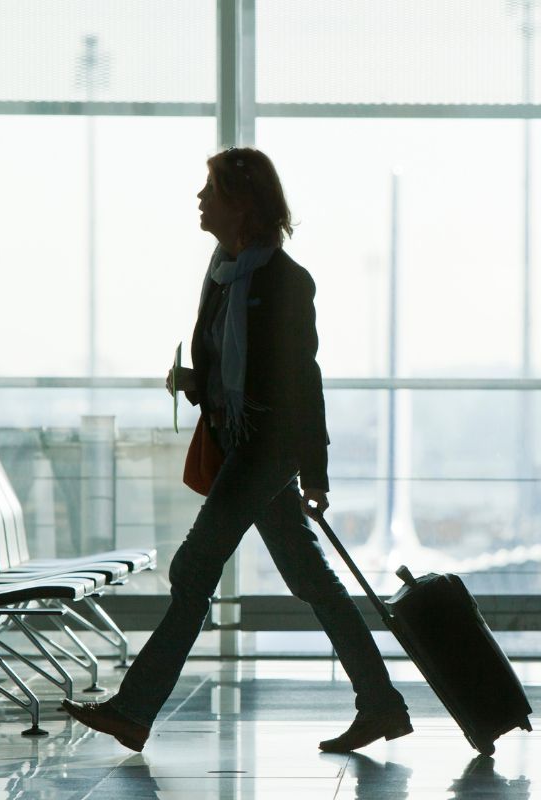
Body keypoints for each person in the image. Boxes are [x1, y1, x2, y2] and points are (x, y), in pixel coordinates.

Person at [62, 147, 410, 754]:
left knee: (194, 568)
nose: (200, 199)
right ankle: (381, 703)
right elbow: (229, 372)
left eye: (211, 189)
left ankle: (135, 711)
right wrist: (197, 382)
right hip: (240, 444)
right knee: (312, 580)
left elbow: (305, 380)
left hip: (267, 450)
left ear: (243, 204)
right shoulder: (222, 276)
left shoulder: (284, 282)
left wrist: (316, 470)